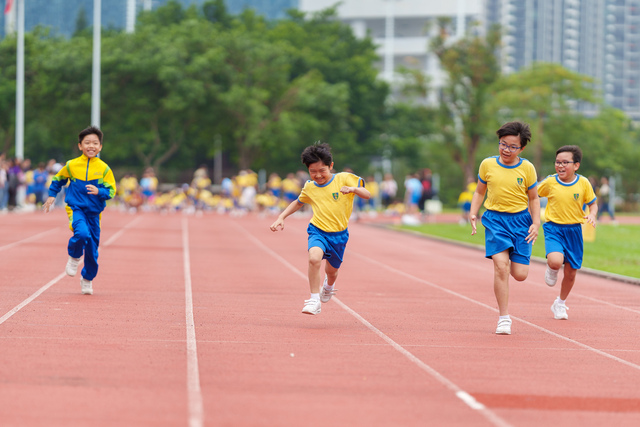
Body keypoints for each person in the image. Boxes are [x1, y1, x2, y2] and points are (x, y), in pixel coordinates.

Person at [269, 142, 370, 315]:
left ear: (331, 166)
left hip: (339, 235)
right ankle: (314, 300)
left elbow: (367, 194)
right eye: (312, 172)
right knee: (314, 258)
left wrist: (353, 189)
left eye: (322, 170)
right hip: (318, 230)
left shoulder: (344, 178)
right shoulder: (309, 186)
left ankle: (328, 286)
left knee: (332, 272)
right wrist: (281, 217)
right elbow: (298, 202)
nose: (318, 176)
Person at [469, 121, 540, 335]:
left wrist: (536, 223)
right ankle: (504, 317)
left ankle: (514, 260)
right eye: (503, 144)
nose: (506, 150)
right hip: (495, 220)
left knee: (519, 274)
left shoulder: (527, 168)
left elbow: (534, 198)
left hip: (520, 222)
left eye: (512, 146)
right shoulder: (487, 165)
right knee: (501, 266)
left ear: (522, 148)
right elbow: (479, 192)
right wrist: (473, 212)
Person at [42, 126, 116, 295]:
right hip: (75, 209)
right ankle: (74, 257)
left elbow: (111, 191)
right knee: (81, 233)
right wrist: (52, 195)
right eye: (87, 143)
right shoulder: (72, 165)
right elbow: (58, 179)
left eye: (95, 143)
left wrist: (100, 191)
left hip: (94, 214)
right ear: (80, 146)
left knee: (92, 250)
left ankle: (87, 279)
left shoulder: (104, 169)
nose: (91, 146)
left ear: (100, 147)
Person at [538, 145, 597, 320]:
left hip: (574, 231)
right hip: (554, 228)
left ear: (576, 165)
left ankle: (560, 303)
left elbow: (592, 203)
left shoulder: (583, 183)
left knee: (571, 273)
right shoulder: (550, 182)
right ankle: (552, 267)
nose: (560, 166)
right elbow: (532, 195)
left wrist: (592, 214)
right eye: (557, 162)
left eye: (565, 162)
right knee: (556, 261)